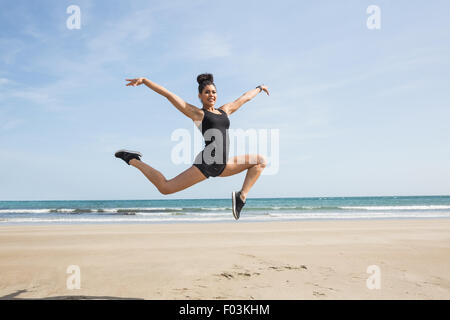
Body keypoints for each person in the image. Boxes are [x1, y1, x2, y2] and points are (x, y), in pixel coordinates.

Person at [115, 73, 269, 220]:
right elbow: (169, 95)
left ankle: (241, 196)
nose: (211, 95)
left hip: (223, 165)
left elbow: (244, 98)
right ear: (200, 96)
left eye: (214, 92)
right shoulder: (198, 114)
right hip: (207, 163)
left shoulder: (225, 110)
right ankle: (133, 159)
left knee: (260, 161)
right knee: (165, 188)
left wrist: (259, 88)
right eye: (207, 92)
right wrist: (145, 81)